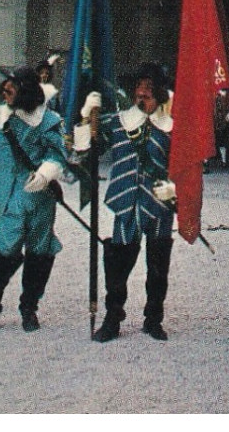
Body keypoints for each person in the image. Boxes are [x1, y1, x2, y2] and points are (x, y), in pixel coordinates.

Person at [75, 62, 176, 342]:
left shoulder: (170, 128)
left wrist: (174, 187)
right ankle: (113, 317)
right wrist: (86, 117)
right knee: (118, 262)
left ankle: (153, 319)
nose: (142, 92)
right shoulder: (118, 122)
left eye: (149, 88)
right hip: (125, 202)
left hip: (159, 203)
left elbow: (183, 166)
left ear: (160, 93)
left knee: (158, 264)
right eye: (139, 87)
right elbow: (82, 149)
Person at [0, 67, 67, 333]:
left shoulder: (48, 120)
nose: (6, 89)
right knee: (5, 250)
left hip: (41, 200)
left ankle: (29, 308)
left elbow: (58, 154)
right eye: (5, 84)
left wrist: (46, 173)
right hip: (10, 197)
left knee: (39, 253)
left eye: (12, 85)